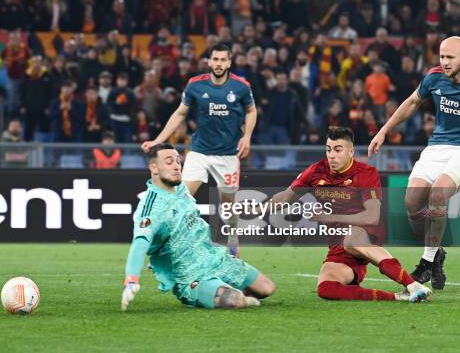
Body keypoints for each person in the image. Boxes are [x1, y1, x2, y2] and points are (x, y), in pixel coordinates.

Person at [268, 127, 432, 302]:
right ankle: (399, 297)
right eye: (328, 149)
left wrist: (328, 218)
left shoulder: (366, 173)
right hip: (338, 245)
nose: (331, 155)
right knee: (326, 289)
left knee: (352, 240)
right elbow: (285, 197)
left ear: (351, 151)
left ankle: (412, 285)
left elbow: (371, 217)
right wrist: (255, 209)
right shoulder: (316, 171)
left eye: (338, 150)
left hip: (365, 230)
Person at [121, 143, 275, 311]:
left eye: (178, 161)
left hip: (216, 260)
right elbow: (140, 243)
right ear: (154, 168)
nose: (176, 166)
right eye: (169, 162)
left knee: (267, 288)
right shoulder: (151, 208)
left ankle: (228, 288)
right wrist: (132, 280)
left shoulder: (180, 189)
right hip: (191, 275)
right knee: (235, 300)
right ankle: (209, 292)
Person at [142, 43, 257, 256]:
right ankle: (167, 246)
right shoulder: (195, 85)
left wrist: (247, 136)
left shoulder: (241, 86)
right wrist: (158, 140)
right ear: (209, 61)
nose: (219, 64)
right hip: (199, 152)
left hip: (228, 156)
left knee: (228, 204)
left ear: (229, 62)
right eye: (215, 59)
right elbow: (179, 114)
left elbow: (251, 111)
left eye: (223, 60)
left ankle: (233, 240)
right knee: (180, 198)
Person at [368, 36, 460, 290]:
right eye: (442, 56)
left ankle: (426, 263)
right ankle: (436, 252)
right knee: (411, 203)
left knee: (438, 195)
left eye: (450, 57)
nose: (444, 62)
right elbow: (411, 103)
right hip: (437, 147)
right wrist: (383, 131)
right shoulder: (434, 77)